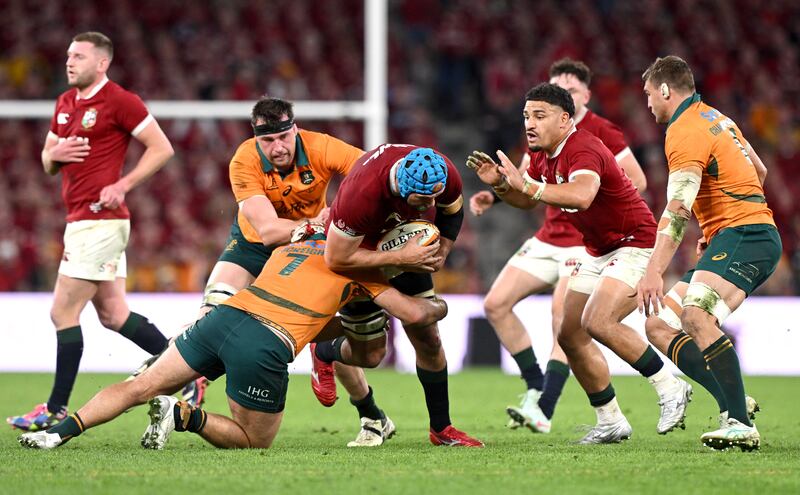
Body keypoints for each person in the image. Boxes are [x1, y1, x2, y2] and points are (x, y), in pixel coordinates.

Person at [17, 223, 449, 450]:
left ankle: (56, 433)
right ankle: (183, 416)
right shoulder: (364, 271)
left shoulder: (294, 247)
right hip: (264, 342)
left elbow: (304, 305)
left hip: (225, 317)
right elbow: (415, 313)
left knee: (139, 385)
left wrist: (333, 330)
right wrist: (437, 304)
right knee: (254, 440)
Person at [140, 96, 395, 447]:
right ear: (256, 139)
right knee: (209, 316)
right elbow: (268, 231)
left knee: (323, 325)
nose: (277, 147)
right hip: (255, 243)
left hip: (308, 246)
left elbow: (372, 173)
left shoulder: (321, 147)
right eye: (268, 140)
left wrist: (340, 212)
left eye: (284, 137)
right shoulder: (244, 159)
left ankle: (371, 414)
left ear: (295, 130)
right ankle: (175, 377)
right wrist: (318, 222)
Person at [467, 83, 691, 444]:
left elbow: (583, 195)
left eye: (539, 116)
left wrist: (526, 185)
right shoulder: (541, 154)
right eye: (526, 116)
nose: (530, 123)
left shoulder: (582, 147)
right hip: (596, 249)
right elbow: (528, 200)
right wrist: (504, 187)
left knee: (598, 321)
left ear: (564, 119)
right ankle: (610, 419)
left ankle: (670, 386)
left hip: (634, 242)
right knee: (569, 334)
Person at [6, 32, 175, 432]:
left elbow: (162, 147)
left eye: (79, 56)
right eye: (69, 55)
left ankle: (55, 409)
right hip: (80, 219)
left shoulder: (120, 100)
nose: (69, 61)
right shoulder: (65, 103)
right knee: (115, 315)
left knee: (62, 311)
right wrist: (53, 154)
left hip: (101, 220)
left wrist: (123, 184)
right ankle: (190, 372)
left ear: (102, 63)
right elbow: (48, 161)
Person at [637, 56, 780, 451]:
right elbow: (760, 172)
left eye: (649, 94)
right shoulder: (718, 118)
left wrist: (653, 270)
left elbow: (677, 210)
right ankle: (734, 402)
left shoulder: (683, 130)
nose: (647, 103)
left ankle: (739, 424)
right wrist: (716, 229)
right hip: (742, 234)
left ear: (665, 90)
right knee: (659, 325)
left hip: (746, 234)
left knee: (695, 316)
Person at [316, 144, 483, 447]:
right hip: (358, 255)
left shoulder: (443, 172)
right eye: (423, 199)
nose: (430, 204)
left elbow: (452, 210)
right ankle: (325, 350)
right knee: (371, 356)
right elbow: (336, 258)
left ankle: (442, 429)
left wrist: (442, 252)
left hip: (403, 244)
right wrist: (401, 258)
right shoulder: (361, 194)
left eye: (434, 196)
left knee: (429, 339)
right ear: (402, 188)